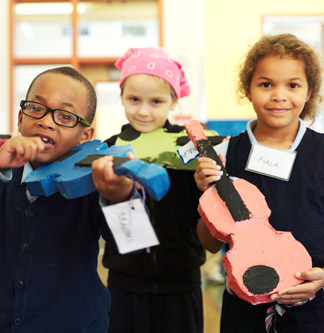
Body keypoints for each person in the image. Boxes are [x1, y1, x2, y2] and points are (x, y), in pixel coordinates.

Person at [0, 66, 136, 332]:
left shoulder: (94, 177)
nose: (47, 121)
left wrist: (120, 196)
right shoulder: (2, 170)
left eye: (65, 116)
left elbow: (132, 244)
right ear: (20, 119)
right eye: (37, 109)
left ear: (85, 136)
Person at [194, 33, 324, 332]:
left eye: (292, 85)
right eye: (266, 84)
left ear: (308, 92)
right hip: (244, 311)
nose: (279, 95)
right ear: (248, 90)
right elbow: (209, 243)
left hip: (314, 307)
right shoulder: (226, 154)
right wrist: (207, 196)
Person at [101, 46, 216, 333]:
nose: (142, 110)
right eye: (133, 99)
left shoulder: (189, 148)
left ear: (173, 101)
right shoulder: (111, 147)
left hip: (181, 280)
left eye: (155, 102)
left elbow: (204, 207)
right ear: (122, 97)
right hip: (125, 281)